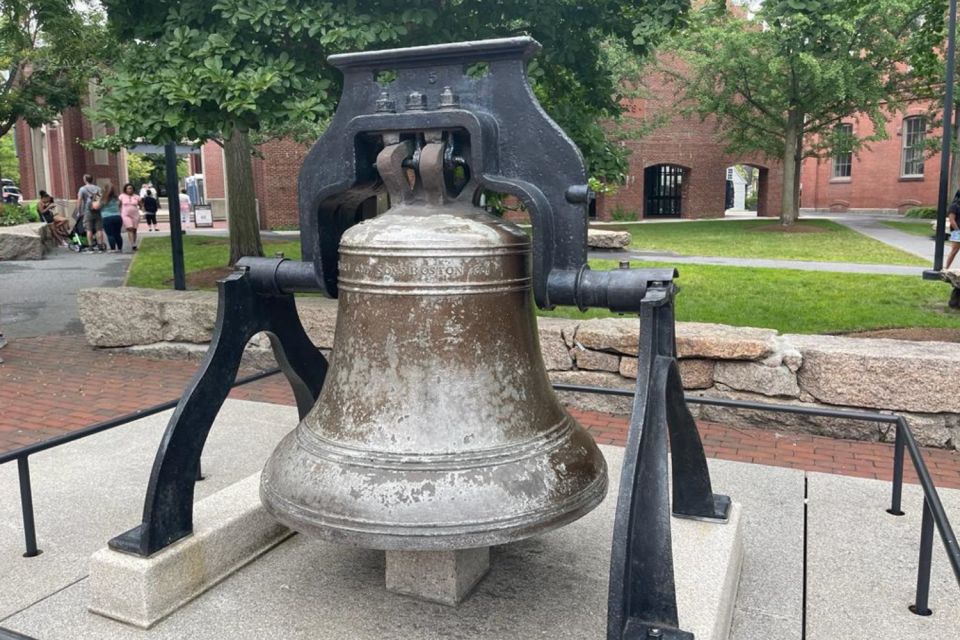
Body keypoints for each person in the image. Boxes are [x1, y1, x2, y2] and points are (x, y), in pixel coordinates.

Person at [75, 174, 105, 252]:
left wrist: (78, 210)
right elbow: (100, 199)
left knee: (89, 229)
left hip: (87, 211)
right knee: (99, 229)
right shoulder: (98, 188)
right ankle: (100, 245)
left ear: (85, 180)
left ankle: (90, 246)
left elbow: (80, 200)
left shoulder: (82, 189)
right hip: (97, 210)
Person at [100, 183, 123, 252]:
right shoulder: (116, 197)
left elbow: (98, 206)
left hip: (107, 217)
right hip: (117, 217)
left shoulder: (103, 199)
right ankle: (119, 248)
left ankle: (113, 249)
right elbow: (119, 205)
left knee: (110, 234)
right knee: (117, 234)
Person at [119, 183, 142, 250]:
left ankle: (134, 243)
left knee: (134, 229)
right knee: (130, 228)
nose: (130, 190)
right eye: (128, 188)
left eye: (131, 188)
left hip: (135, 214)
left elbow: (141, 205)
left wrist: (142, 209)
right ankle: (132, 244)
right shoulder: (122, 196)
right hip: (125, 214)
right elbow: (119, 205)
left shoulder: (137, 197)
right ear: (125, 189)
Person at [947, 191, 960, 270]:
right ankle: (946, 268)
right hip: (956, 231)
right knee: (954, 250)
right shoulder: (954, 206)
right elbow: (952, 220)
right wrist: (958, 231)